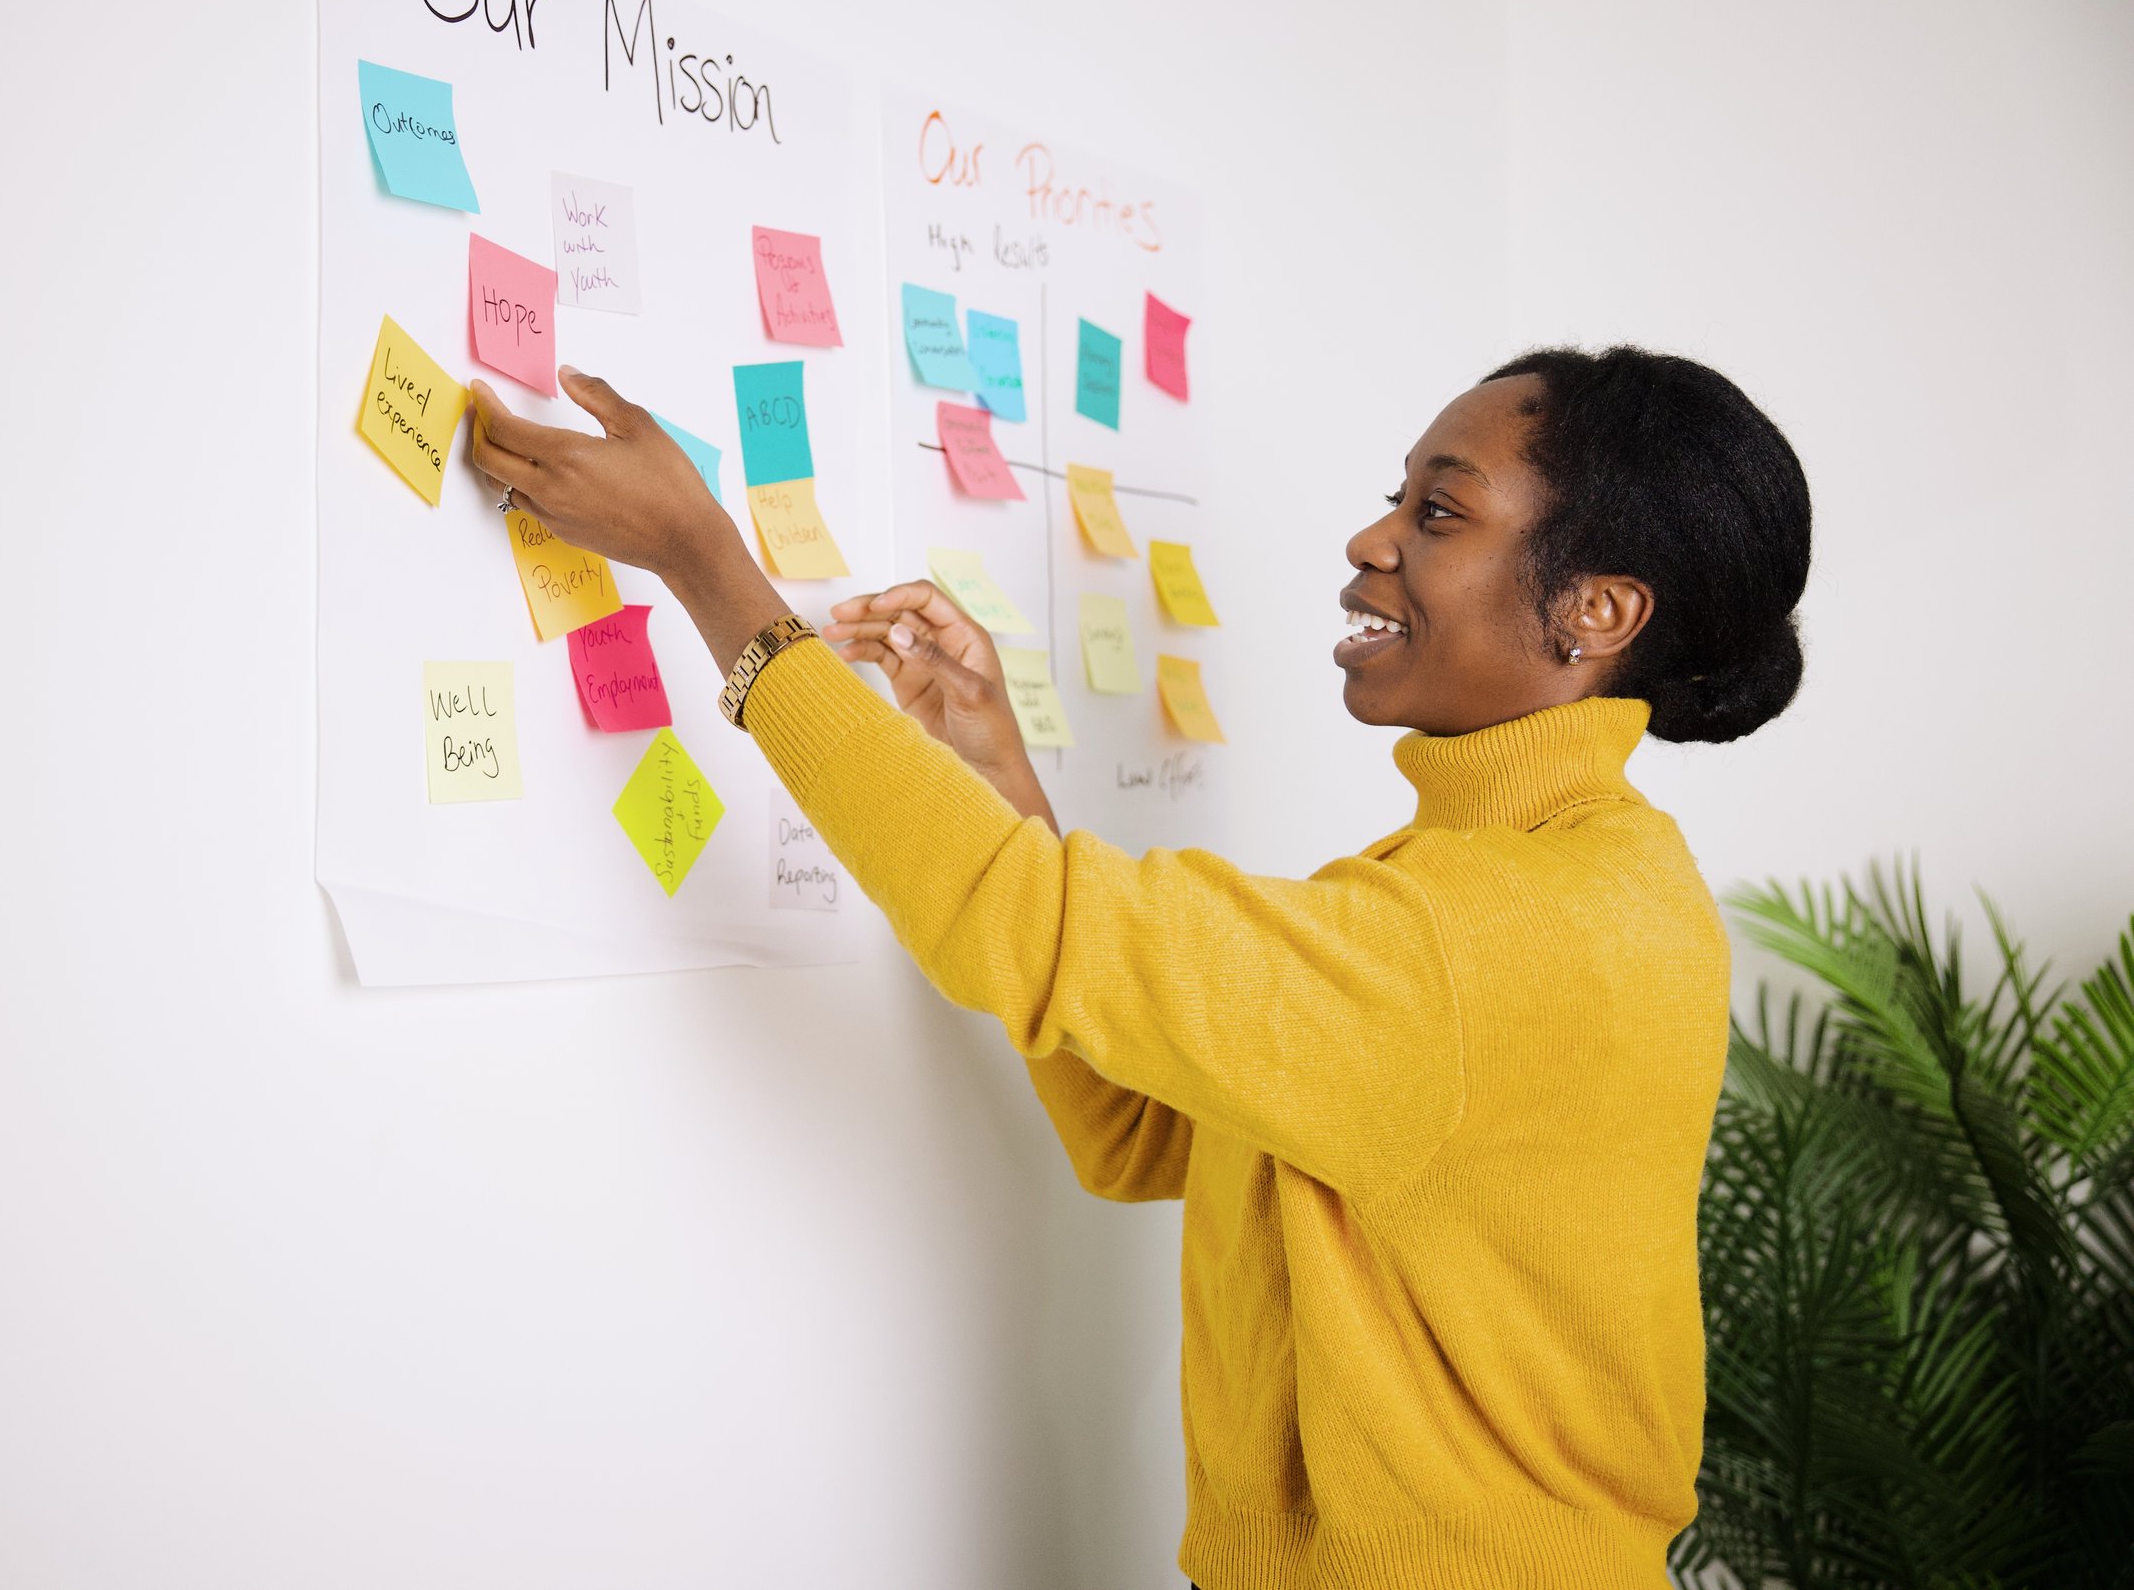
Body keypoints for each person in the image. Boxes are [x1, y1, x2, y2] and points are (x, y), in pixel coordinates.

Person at [465, 345, 1811, 1589]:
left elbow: (1030, 929)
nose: (1371, 540)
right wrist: (998, 773)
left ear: (1598, 609)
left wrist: (709, 567)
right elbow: (1145, 1130)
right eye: (1394, 498)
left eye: (1439, 515)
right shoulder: (1525, 884)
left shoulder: (1503, 934)